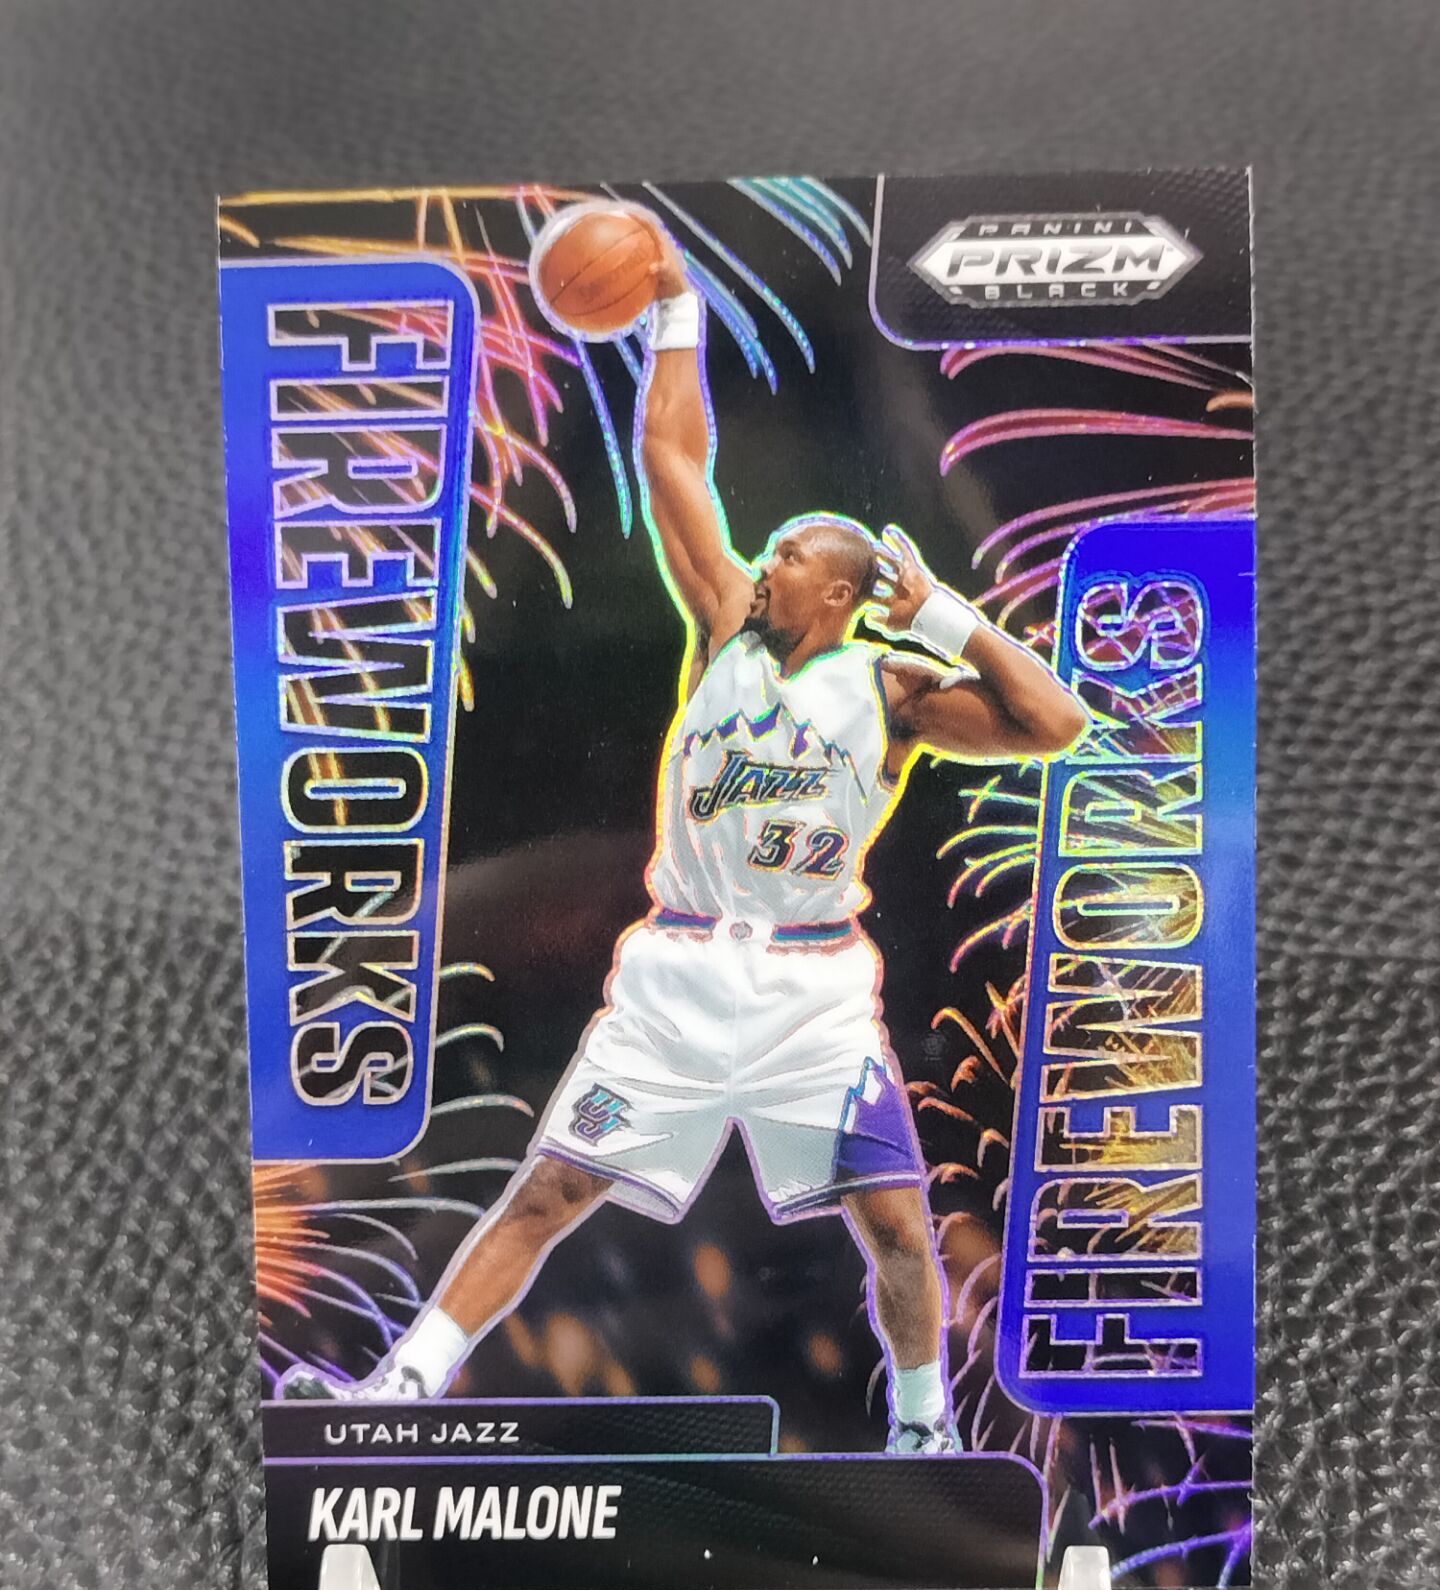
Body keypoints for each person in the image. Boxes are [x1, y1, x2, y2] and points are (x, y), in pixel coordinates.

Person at [279, 221, 1087, 1451]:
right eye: (767, 553)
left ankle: (925, 1434)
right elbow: (671, 456)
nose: (763, 564)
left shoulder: (893, 692)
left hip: (811, 992)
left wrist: (950, 620)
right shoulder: (724, 628)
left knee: (895, 1225)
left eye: (789, 557)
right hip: (681, 973)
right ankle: (394, 1396)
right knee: (547, 1192)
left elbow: (1053, 722)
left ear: (841, 593)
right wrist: (672, 304)